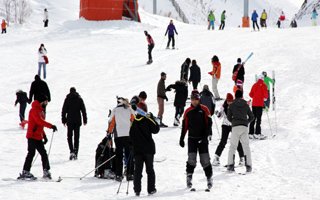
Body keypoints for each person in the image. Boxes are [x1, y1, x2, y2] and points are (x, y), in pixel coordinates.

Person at [18, 94, 58, 180]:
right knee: (32, 153)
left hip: (37, 137)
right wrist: (51, 126)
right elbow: (39, 122)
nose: (47, 103)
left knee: (43, 154)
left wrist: (44, 136)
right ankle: (26, 171)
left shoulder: (40, 110)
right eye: (46, 102)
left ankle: (46, 171)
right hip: (32, 136)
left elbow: (39, 126)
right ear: (42, 101)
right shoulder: (34, 110)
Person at [180, 90, 213, 189]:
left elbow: (209, 124)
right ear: (191, 100)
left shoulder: (204, 109)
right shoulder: (188, 111)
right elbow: (185, 126)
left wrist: (205, 136)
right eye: (193, 99)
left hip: (202, 139)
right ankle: (189, 178)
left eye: (197, 100)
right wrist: (182, 138)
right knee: (191, 160)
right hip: (192, 139)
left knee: (205, 160)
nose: (195, 101)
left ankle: (209, 178)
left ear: (199, 100)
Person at [129, 103, 160, 196]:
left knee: (138, 171)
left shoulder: (134, 122)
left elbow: (131, 136)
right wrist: (151, 118)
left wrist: (132, 147)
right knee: (150, 170)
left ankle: (137, 190)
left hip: (138, 151)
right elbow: (156, 129)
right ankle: (151, 189)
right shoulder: (147, 119)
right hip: (148, 150)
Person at [212, 93, 245, 166]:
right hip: (225, 125)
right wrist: (217, 113)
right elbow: (220, 116)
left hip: (234, 126)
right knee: (223, 142)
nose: (229, 102)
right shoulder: (224, 106)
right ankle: (216, 158)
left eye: (231, 101)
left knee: (237, 141)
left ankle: (242, 158)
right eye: (228, 101)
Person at [107, 97, 135, 181]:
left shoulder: (115, 110)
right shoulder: (129, 109)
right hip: (128, 135)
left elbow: (111, 122)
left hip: (118, 136)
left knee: (119, 155)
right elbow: (134, 120)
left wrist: (109, 132)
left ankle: (118, 175)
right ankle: (130, 174)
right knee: (128, 154)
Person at [226, 90, 254, 172]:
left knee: (233, 146)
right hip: (244, 127)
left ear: (235, 95)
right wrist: (246, 122)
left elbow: (228, 117)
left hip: (235, 127)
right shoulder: (245, 104)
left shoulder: (232, 105)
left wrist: (233, 122)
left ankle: (230, 165)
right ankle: (249, 166)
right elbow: (252, 116)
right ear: (242, 96)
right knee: (246, 147)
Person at [61, 87, 87, 160]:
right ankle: (76, 152)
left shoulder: (67, 99)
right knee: (76, 137)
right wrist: (85, 120)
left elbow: (64, 110)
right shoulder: (79, 99)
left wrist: (63, 120)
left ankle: (71, 151)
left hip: (70, 121)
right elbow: (83, 110)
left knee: (69, 137)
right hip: (77, 121)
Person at [249, 75, 268, 140]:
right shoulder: (264, 85)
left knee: (253, 118)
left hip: (254, 104)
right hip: (260, 104)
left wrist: (255, 96)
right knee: (258, 119)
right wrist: (264, 98)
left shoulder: (254, 85)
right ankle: (257, 133)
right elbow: (266, 95)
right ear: (263, 79)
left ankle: (251, 133)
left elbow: (250, 94)